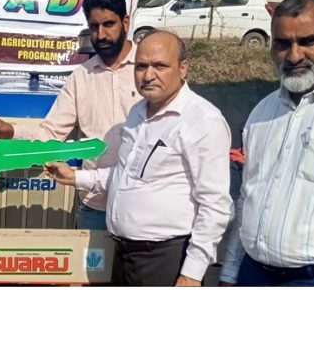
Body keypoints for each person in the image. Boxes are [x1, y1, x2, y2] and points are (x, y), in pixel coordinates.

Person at [47, 30, 232, 286]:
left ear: (183, 68)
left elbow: (215, 204)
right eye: (141, 66)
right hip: (122, 254)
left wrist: (191, 273)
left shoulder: (202, 120)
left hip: (165, 258)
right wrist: (76, 177)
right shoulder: (137, 112)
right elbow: (125, 175)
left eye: (160, 66)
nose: (147, 75)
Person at [220, 0, 314, 286]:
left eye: (308, 41)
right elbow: (247, 199)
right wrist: (229, 273)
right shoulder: (262, 112)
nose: (293, 56)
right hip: (255, 276)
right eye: (282, 44)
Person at [0, 0, 139, 230]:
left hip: (141, 204)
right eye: (94, 26)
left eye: (108, 24)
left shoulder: (148, 70)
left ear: (125, 22)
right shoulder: (81, 77)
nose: (101, 35)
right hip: (95, 207)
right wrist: (11, 131)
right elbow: (51, 134)